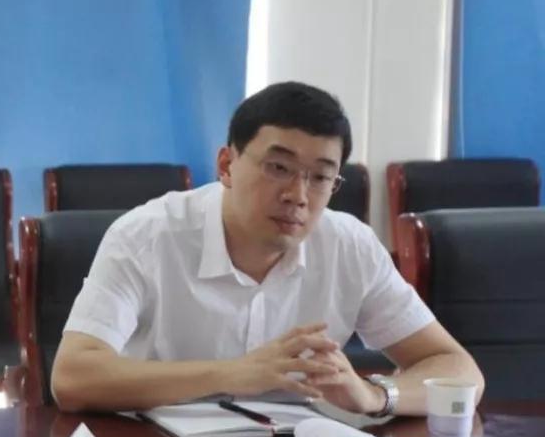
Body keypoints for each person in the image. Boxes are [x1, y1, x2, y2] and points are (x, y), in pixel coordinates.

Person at [51, 82, 484, 415]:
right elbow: (72, 377)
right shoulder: (146, 235)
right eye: (279, 168)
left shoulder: (349, 246)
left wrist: (376, 395)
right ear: (227, 165)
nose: (298, 195)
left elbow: (458, 370)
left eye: (320, 177)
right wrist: (231, 374)